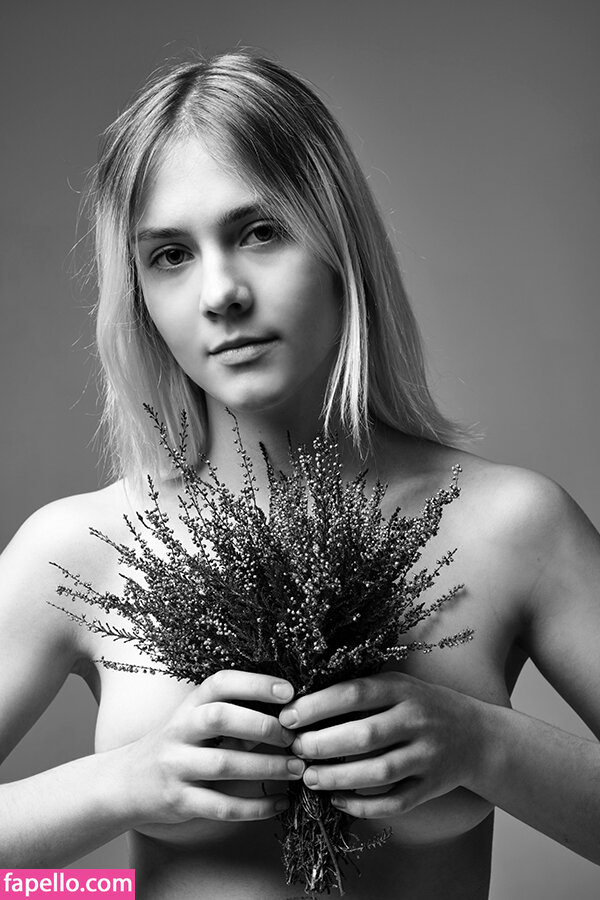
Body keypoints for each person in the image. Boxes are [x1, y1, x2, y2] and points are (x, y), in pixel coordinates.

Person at [1, 50, 599, 900]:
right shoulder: (79, 550)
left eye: (260, 232)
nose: (220, 293)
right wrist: (123, 783)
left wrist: (486, 745)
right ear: (138, 294)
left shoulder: (515, 528)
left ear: (338, 241)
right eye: (170, 254)